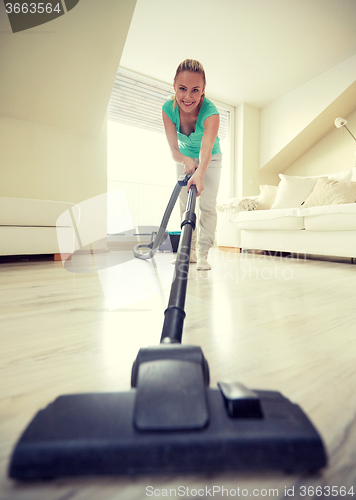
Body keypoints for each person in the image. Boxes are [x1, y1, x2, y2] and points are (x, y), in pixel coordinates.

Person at [162, 59, 222, 270]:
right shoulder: (168, 109)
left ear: (203, 90)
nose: (188, 97)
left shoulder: (211, 113)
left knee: (206, 204)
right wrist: (186, 160)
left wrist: (201, 171)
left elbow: (206, 147)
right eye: (182, 89)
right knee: (185, 204)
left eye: (195, 90)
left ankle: (203, 253)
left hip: (211, 158)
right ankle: (189, 252)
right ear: (174, 86)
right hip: (184, 156)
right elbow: (173, 150)